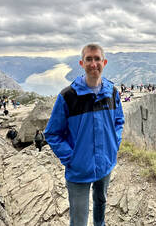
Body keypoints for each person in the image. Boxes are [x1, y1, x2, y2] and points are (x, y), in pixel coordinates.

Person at [44, 43, 125, 226]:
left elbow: (119, 121)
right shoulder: (68, 96)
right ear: (81, 63)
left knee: (101, 203)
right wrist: (72, 158)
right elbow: (52, 133)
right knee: (79, 219)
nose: (93, 63)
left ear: (104, 62)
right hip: (79, 169)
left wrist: (114, 145)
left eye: (97, 59)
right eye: (89, 59)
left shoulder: (111, 92)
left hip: (105, 163)